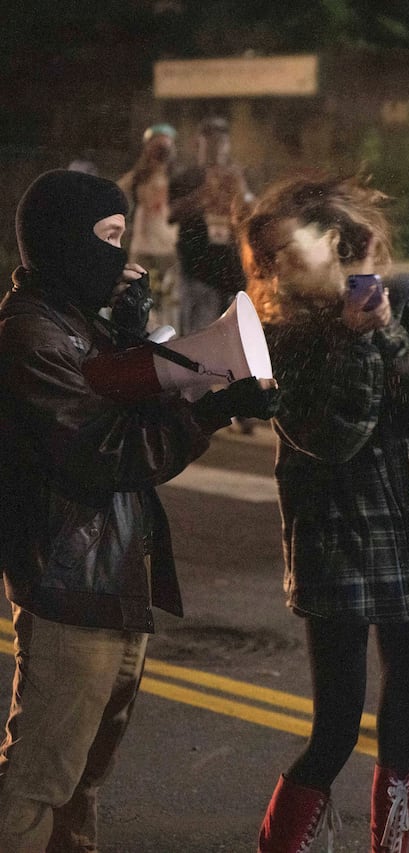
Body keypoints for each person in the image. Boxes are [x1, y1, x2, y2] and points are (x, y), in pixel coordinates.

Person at [0, 169, 279, 852]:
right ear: (64, 243)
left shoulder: (76, 325)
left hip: (115, 580)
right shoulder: (31, 336)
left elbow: (125, 413)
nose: (123, 260)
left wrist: (135, 341)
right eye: (110, 238)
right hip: (71, 584)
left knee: (84, 783)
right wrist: (210, 409)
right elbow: (106, 453)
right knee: (39, 782)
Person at [240, 175, 409, 853]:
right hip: (335, 547)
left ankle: (389, 843)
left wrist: (386, 330)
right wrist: (352, 338)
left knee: (402, 718)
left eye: (291, 246)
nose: (281, 265)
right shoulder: (279, 331)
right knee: (336, 726)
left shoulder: (405, 298)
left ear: (334, 239)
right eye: (270, 257)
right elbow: (334, 435)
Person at [169, 116, 253, 336]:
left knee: (233, 338)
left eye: (221, 140)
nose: (216, 146)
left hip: (232, 269)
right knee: (199, 338)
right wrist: (204, 193)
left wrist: (239, 188)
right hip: (198, 269)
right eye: (210, 140)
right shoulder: (186, 177)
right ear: (200, 143)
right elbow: (171, 215)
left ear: (228, 144)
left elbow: (252, 213)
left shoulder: (239, 174)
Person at [117, 123, 181, 330]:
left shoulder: (177, 176)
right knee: (143, 295)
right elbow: (118, 191)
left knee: (171, 299)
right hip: (143, 247)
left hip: (169, 248)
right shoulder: (139, 176)